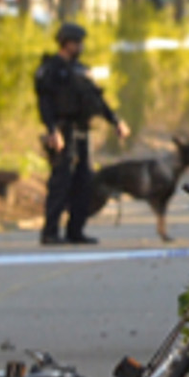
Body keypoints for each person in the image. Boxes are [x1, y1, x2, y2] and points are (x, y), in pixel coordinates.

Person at [33, 22, 128, 245]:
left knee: (85, 181)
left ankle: (75, 230)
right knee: (61, 181)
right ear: (65, 43)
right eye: (77, 43)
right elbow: (44, 103)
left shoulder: (81, 70)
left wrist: (116, 121)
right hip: (62, 130)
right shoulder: (51, 69)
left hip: (82, 130)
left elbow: (97, 100)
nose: (80, 47)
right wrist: (52, 130)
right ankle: (50, 232)